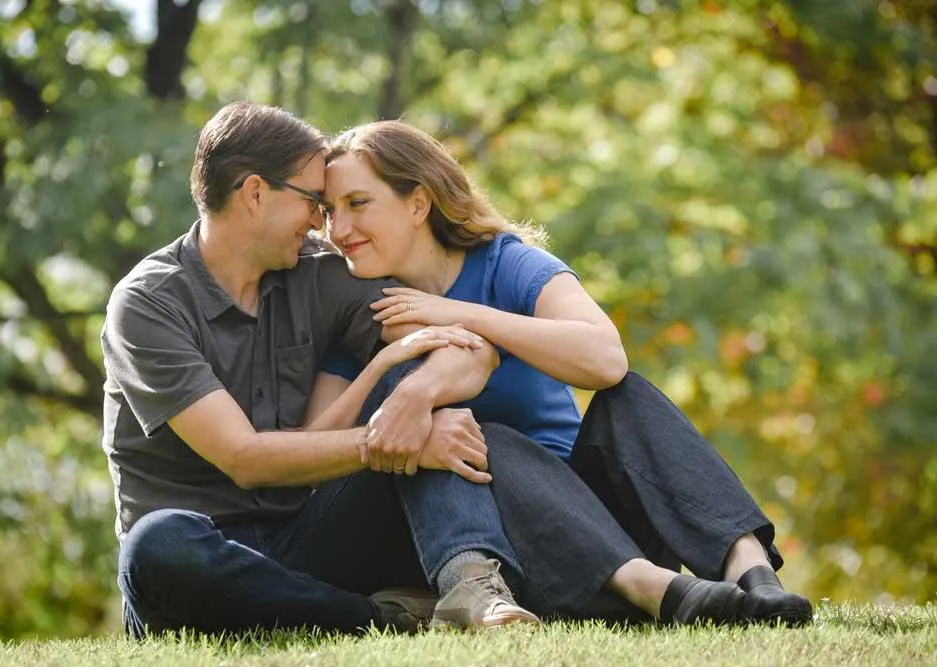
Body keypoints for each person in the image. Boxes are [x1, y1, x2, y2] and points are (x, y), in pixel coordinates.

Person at [313, 120, 814, 626]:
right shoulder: (360, 308)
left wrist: (463, 314)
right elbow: (315, 454)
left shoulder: (504, 263)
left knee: (629, 396)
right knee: (487, 439)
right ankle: (650, 592)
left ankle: (752, 575)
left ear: (418, 204)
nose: (339, 230)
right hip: (492, 552)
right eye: (330, 211)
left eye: (358, 203)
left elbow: (605, 358)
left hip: (595, 529)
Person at [99, 101, 545, 638]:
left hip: (306, 538)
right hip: (202, 561)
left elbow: (468, 348)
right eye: (313, 200)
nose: (322, 223)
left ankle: (472, 587)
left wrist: (414, 401)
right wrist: (390, 439)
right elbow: (245, 459)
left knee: (420, 393)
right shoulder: (149, 303)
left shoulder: (318, 271)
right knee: (157, 544)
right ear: (256, 193)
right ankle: (376, 618)